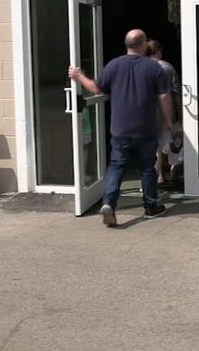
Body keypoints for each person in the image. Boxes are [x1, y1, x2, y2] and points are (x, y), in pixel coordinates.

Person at [68, 29, 173, 227]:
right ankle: (151, 207)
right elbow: (164, 96)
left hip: (120, 129)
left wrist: (79, 76)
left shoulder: (114, 65)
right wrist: (168, 120)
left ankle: (109, 203)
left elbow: (96, 88)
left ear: (127, 45)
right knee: (147, 168)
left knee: (116, 166)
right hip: (146, 128)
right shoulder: (154, 67)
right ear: (143, 45)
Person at [145, 39, 180, 184]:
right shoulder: (167, 67)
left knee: (154, 145)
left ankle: (158, 176)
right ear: (159, 51)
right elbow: (175, 91)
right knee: (170, 141)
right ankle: (171, 171)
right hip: (165, 109)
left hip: (146, 111)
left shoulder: (141, 67)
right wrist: (179, 111)